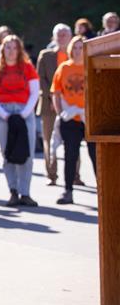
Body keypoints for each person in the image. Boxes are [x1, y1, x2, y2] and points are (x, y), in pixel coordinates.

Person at [0, 35, 40, 207]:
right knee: (8, 154)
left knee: (27, 154)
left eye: (14, 47)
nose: (11, 51)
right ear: (3, 49)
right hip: (4, 114)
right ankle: (13, 191)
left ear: (19, 49)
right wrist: (5, 115)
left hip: (25, 112)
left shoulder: (27, 68)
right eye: (7, 47)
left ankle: (25, 192)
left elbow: (34, 93)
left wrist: (24, 114)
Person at [51, 36, 95, 204]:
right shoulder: (64, 68)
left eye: (81, 47)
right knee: (70, 154)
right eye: (75, 47)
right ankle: (67, 190)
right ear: (70, 49)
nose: (78, 51)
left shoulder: (91, 66)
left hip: (89, 117)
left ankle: (102, 192)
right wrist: (61, 112)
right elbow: (56, 92)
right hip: (70, 118)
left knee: (95, 155)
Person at [36, 23, 73, 186]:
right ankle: (52, 174)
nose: (62, 37)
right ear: (54, 37)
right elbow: (41, 79)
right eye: (59, 34)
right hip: (49, 105)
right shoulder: (46, 56)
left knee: (72, 140)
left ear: (71, 37)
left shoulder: (77, 55)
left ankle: (75, 175)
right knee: (48, 139)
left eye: (65, 34)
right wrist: (52, 98)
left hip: (72, 105)